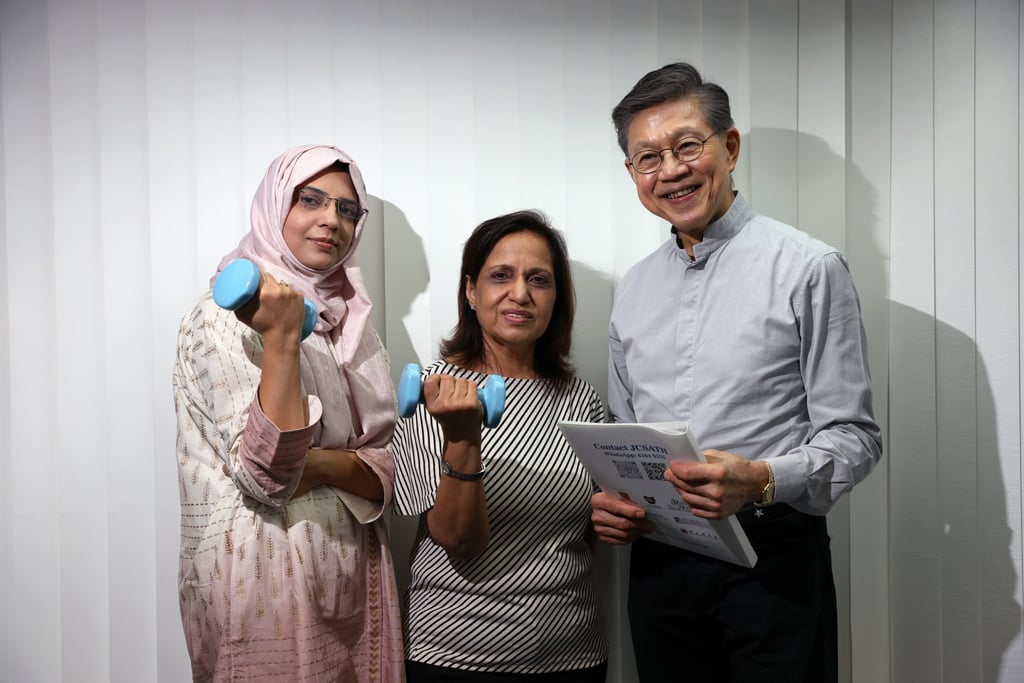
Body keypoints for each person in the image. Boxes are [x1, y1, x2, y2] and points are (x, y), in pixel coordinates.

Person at [590, 62, 883, 683]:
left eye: (686, 146)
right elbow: (624, 432)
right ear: (631, 174)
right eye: (648, 157)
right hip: (661, 565)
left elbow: (855, 437)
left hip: (772, 561)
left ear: (729, 146)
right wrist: (616, 499)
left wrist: (761, 480)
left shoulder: (809, 267)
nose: (670, 170)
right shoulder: (634, 290)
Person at [172, 145, 405, 682]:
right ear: (275, 206)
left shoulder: (353, 328)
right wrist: (279, 339)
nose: (332, 221)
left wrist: (316, 463)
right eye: (311, 200)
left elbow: (392, 468)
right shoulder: (221, 318)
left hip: (354, 575)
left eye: (348, 210)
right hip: (262, 585)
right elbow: (267, 476)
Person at [391, 210, 608, 682]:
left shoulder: (582, 400)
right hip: (455, 655)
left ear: (556, 298)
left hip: (573, 651)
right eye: (500, 276)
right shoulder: (435, 393)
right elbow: (460, 540)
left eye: (539, 279)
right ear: (471, 291)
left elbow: (590, 531)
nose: (521, 294)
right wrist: (465, 435)